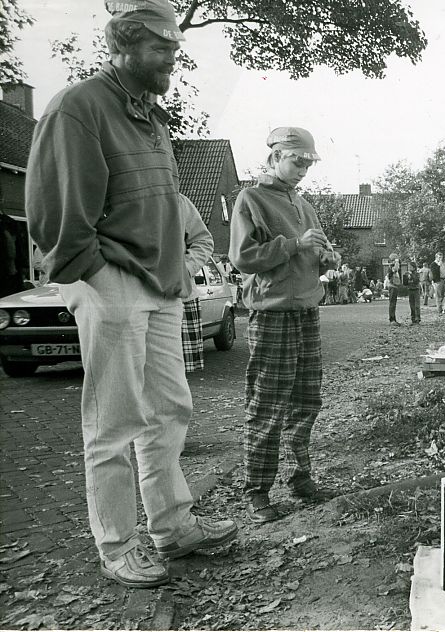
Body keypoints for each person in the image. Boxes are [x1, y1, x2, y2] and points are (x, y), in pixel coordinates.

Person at [24, 0, 237, 588]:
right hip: (111, 279)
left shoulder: (150, 115)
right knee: (115, 422)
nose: (173, 55)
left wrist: (174, 270)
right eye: (161, 47)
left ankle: (173, 528)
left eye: (174, 46)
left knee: (170, 409)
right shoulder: (78, 107)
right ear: (122, 46)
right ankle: (116, 545)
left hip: (160, 284)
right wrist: (93, 275)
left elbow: (167, 210)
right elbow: (54, 211)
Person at [229, 126, 341, 523]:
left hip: (307, 312)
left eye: (309, 163)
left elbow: (316, 251)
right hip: (272, 314)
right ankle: (258, 492)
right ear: (275, 156)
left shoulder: (304, 204)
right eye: (297, 161)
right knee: (267, 404)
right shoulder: (250, 199)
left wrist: (328, 258)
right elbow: (243, 257)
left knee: (307, 400)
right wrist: (294, 245)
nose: (303, 170)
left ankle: (300, 477)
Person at [180, 194, 214, 373]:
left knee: (176, 378)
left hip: (179, 295)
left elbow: (203, 240)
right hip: (129, 294)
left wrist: (185, 269)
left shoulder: (179, 201)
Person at [386, 253, 404, 325]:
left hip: (395, 286)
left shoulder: (392, 267)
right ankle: (392, 319)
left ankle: (393, 319)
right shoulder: (392, 267)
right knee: (392, 303)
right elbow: (396, 269)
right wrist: (396, 261)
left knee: (394, 303)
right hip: (392, 286)